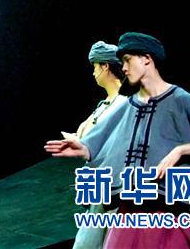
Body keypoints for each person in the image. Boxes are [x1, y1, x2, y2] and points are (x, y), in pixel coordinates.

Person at [45, 32, 190, 248]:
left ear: (146, 59)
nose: (123, 68)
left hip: (170, 207)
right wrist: (82, 148)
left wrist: (180, 151)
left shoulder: (179, 99)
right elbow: (103, 141)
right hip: (132, 208)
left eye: (127, 60)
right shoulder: (129, 105)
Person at [66, 40, 128, 249]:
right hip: (100, 191)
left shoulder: (123, 103)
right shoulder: (104, 106)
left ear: (105, 66)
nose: (93, 73)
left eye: (95, 67)